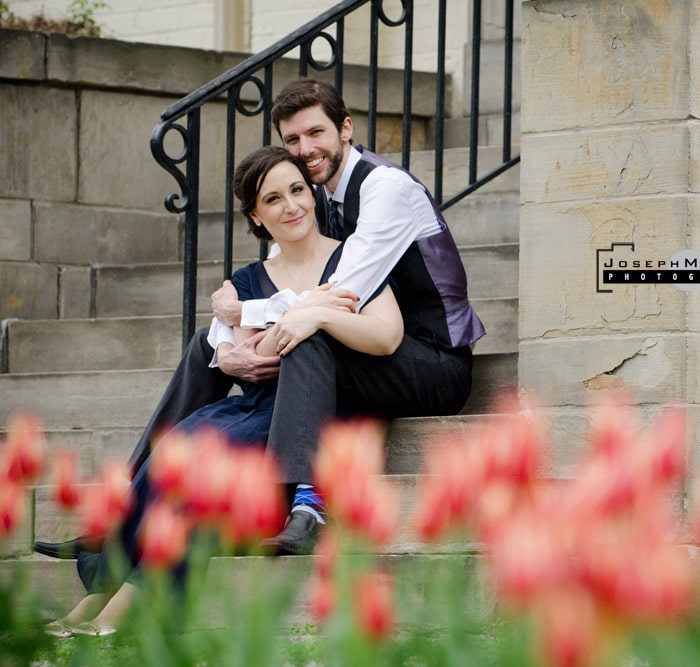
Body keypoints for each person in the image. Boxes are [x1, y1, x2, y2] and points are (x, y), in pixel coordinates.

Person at [34, 76, 484, 559]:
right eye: (293, 139)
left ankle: (306, 506)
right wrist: (227, 346)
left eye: (316, 133)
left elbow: (336, 296)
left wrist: (244, 311)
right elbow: (281, 277)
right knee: (205, 344)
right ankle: (121, 504)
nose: (306, 148)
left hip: (431, 362)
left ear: (346, 128)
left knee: (312, 332)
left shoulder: (384, 189)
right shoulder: (318, 195)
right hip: (371, 351)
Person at [44, 146, 404, 637]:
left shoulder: (350, 261)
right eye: (273, 199)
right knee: (173, 454)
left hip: (310, 414)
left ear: (313, 193)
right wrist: (295, 315)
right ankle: (103, 593)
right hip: (252, 406)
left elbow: (382, 336)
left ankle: (137, 600)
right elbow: (247, 354)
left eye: (298, 190)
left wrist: (304, 314)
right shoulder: (245, 281)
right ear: (256, 215)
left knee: (204, 477)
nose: (292, 206)